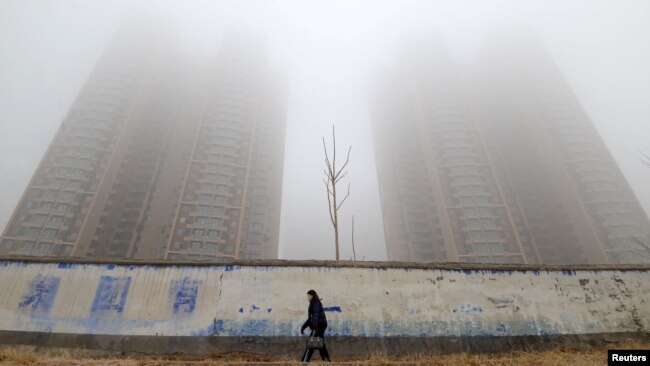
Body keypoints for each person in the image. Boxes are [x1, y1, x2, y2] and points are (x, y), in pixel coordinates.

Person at [300, 289, 331, 362]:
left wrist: (314, 325)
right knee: (320, 343)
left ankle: (304, 361)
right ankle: (327, 361)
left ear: (312, 296)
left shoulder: (315, 303)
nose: (307, 297)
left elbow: (316, 314)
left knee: (311, 343)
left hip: (318, 325)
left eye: (308, 295)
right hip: (319, 324)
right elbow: (310, 318)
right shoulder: (312, 303)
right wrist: (303, 327)